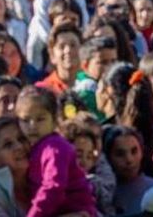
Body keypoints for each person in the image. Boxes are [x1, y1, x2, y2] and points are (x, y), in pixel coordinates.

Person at [15, 85, 96, 217]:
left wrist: (34, 215)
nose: (32, 126)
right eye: (25, 120)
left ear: (54, 120)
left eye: (40, 119)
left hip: (75, 211)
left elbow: (54, 187)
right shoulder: (33, 147)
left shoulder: (55, 148)